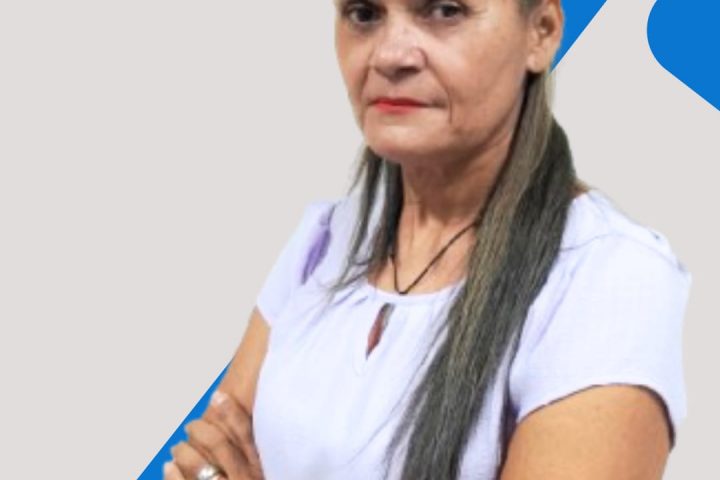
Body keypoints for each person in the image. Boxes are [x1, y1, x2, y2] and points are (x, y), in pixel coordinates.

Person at [163, 0, 692, 478]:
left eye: (444, 10)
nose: (390, 55)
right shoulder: (324, 241)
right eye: (364, 14)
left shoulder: (608, 278)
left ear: (542, 31)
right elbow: (206, 454)